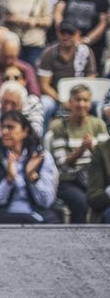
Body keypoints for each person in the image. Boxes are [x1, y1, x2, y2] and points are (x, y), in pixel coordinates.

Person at [0, 109, 60, 224]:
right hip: (2, 217)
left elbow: (47, 202)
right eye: (3, 127)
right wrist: (8, 181)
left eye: (10, 127)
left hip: (36, 216)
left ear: (25, 131)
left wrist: (32, 177)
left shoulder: (41, 156)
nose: (5, 132)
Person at [44, 83, 107, 223]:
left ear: (91, 104)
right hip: (68, 181)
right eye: (77, 100)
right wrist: (80, 151)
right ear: (70, 103)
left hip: (94, 180)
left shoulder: (98, 125)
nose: (81, 104)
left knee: (103, 199)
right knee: (82, 202)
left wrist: (93, 148)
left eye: (85, 100)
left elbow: (106, 159)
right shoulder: (59, 127)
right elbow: (62, 164)